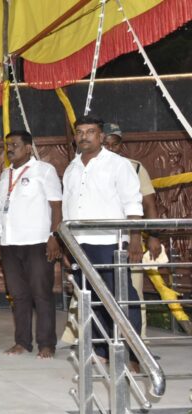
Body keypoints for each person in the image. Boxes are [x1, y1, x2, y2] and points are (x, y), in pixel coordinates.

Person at [63, 115, 143, 369]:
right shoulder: (72, 167)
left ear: (101, 137)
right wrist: (67, 243)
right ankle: (101, 350)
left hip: (110, 242)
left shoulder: (118, 165)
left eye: (90, 131)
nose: (84, 136)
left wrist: (135, 239)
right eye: (80, 132)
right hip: (79, 245)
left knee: (121, 299)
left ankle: (132, 354)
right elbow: (67, 208)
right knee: (90, 299)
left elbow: (133, 202)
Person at [0, 131, 63, 359]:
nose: (10, 148)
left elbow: (56, 206)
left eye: (14, 144)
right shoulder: (5, 174)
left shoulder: (44, 171)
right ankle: (22, 342)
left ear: (28, 147)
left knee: (41, 293)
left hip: (37, 241)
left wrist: (54, 236)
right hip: (9, 243)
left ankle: (46, 344)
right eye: (7, 145)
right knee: (18, 295)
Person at [104, 123, 161, 337]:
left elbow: (149, 205)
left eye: (114, 144)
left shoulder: (135, 167)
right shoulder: (88, 165)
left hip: (130, 239)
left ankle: (138, 339)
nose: (110, 148)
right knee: (95, 288)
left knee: (132, 289)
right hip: (98, 238)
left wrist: (153, 235)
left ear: (121, 145)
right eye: (106, 143)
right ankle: (94, 339)